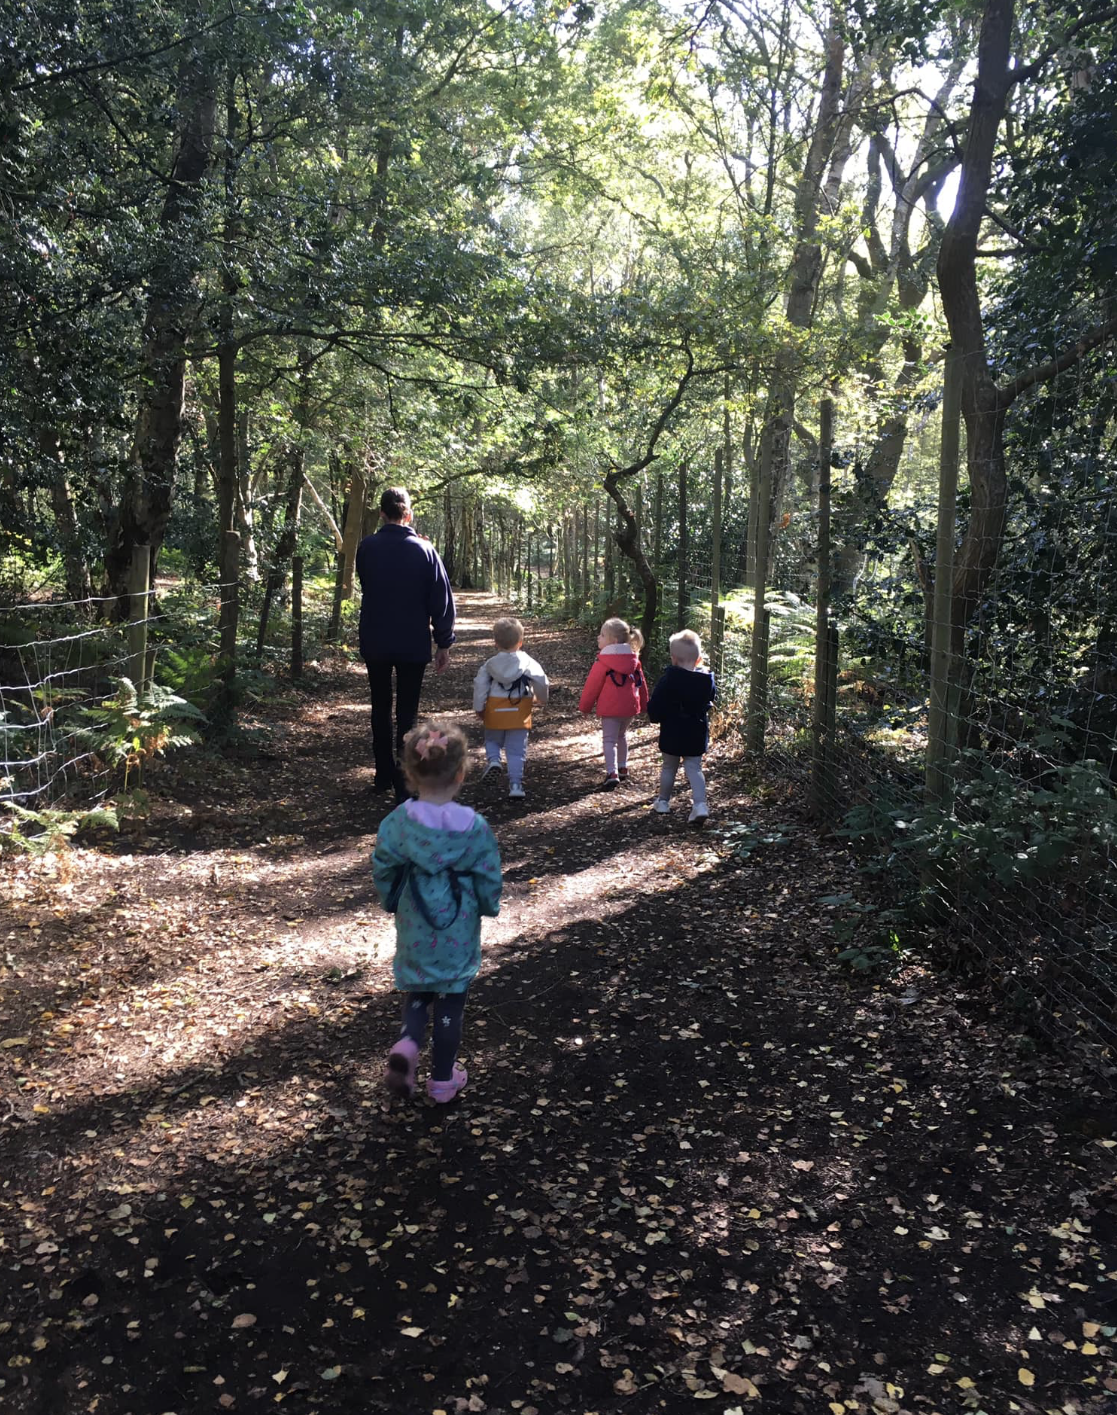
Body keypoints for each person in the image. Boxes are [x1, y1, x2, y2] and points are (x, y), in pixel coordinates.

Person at [372, 722, 502, 1103]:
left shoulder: (397, 821)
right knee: (450, 1001)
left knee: (418, 989)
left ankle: (409, 1042)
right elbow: (488, 872)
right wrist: (487, 904)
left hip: (415, 916)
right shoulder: (474, 827)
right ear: (461, 774)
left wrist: (391, 898)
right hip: (457, 922)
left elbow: (383, 864)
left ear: (410, 775)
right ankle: (443, 1081)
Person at [356, 487, 455, 800]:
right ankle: (404, 781)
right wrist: (443, 642)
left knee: (380, 706)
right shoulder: (425, 551)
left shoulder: (367, 548)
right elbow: (441, 599)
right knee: (408, 713)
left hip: (376, 639)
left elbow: (366, 583)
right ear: (408, 514)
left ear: (382, 514)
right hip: (412, 642)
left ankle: (383, 773)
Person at [472, 616, 550, 800]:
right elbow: (542, 680)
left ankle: (494, 761)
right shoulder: (528, 662)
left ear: (495, 643)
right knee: (516, 751)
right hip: (519, 711)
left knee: (492, 740)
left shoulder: (489, 665)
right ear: (520, 642)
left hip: (495, 709)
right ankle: (516, 785)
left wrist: (479, 707)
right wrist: (540, 699)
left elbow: (480, 685)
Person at [647, 628, 717, 826]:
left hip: (673, 730)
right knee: (694, 768)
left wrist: (655, 716)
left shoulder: (669, 680)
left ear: (673, 659)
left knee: (669, 766)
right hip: (696, 730)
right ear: (698, 659)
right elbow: (710, 700)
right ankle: (700, 805)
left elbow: (656, 704)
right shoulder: (706, 681)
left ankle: (663, 802)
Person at [578, 616, 649, 790]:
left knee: (609, 740)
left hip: (610, 708)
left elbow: (592, 686)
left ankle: (612, 772)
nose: (598, 637)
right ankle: (623, 766)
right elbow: (642, 684)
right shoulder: (634, 660)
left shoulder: (603, 662)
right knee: (622, 735)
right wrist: (645, 704)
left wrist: (585, 706)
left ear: (613, 641)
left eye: (602, 635)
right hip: (629, 707)